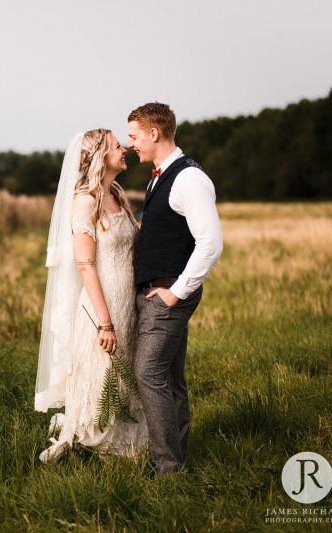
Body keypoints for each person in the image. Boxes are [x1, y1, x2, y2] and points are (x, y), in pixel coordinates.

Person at [35, 129, 148, 462]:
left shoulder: (115, 192)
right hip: (103, 303)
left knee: (126, 371)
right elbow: (85, 264)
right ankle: (92, 439)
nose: (125, 148)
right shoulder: (86, 200)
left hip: (127, 298)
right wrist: (104, 323)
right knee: (102, 373)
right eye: (116, 145)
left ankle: (132, 435)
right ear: (99, 155)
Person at [127, 102, 223, 475]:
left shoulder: (188, 179)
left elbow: (210, 243)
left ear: (154, 133)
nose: (131, 143)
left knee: (148, 373)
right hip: (160, 290)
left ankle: (166, 469)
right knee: (169, 378)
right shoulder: (160, 176)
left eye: (134, 135)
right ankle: (177, 457)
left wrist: (176, 292)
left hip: (167, 295)